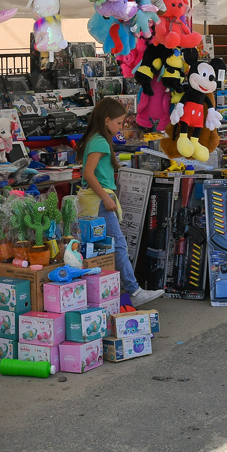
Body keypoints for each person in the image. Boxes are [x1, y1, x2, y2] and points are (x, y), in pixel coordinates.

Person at [76, 98, 164, 306]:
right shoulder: (99, 141)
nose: (121, 127)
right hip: (99, 200)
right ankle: (134, 290)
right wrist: (106, 198)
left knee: (100, 248)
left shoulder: (94, 138)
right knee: (119, 246)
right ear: (107, 120)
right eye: (118, 122)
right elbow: (89, 174)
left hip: (93, 200)